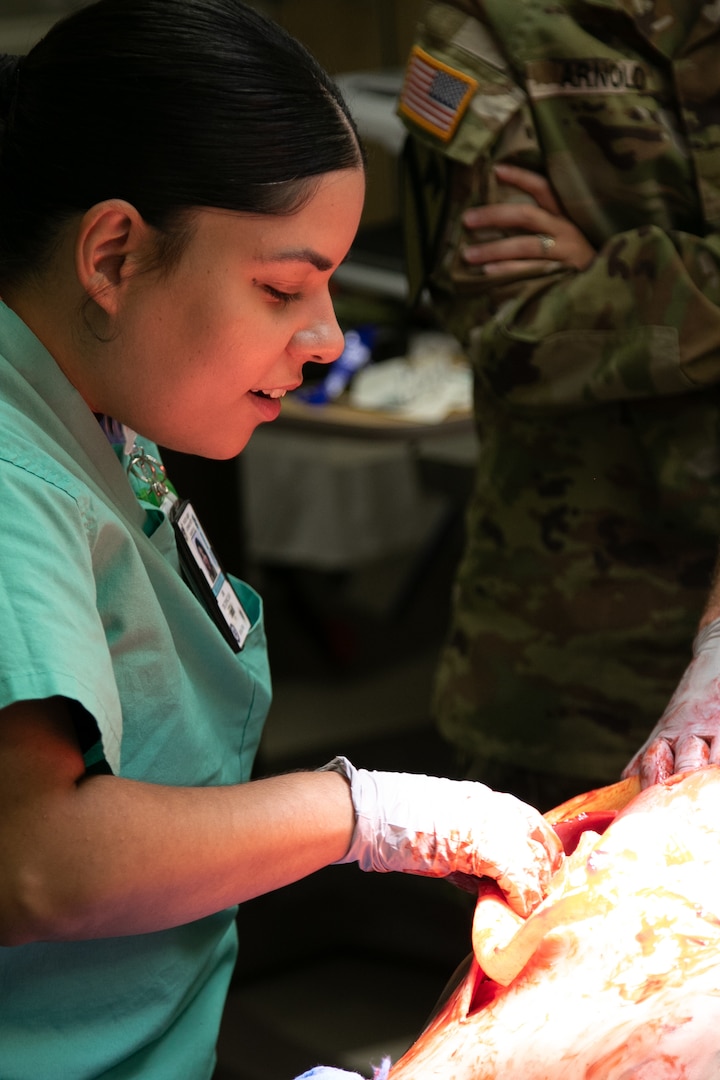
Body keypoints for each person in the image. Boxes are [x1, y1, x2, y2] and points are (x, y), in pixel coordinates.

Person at [0, 3, 564, 1079]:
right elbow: (38, 864)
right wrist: (358, 813)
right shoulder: (13, 477)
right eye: (281, 287)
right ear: (113, 254)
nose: (327, 340)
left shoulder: (96, 416)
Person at [396, 0, 720, 812]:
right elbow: (506, 329)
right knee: (568, 927)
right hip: (577, 644)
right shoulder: (496, 22)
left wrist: (614, 268)